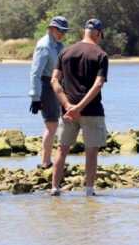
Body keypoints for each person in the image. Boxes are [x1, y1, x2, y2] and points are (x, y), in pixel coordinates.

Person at [50, 19, 109, 196]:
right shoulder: (101, 55)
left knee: (62, 148)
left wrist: (68, 105)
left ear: (84, 32)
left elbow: (54, 80)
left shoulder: (65, 52)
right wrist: (80, 107)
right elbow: (98, 84)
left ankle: (54, 187)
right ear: (97, 33)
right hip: (92, 111)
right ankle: (89, 190)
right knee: (91, 151)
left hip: (67, 112)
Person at [28, 16, 70, 168]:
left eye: (64, 31)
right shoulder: (44, 46)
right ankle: (45, 162)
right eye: (60, 30)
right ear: (51, 29)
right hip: (46, 86)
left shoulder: (59, 45)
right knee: (51, 125)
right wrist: (35, 97)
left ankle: (54, 159)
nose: (62, 33)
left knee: (58, 124)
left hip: (57, 85)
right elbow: (35, 73)